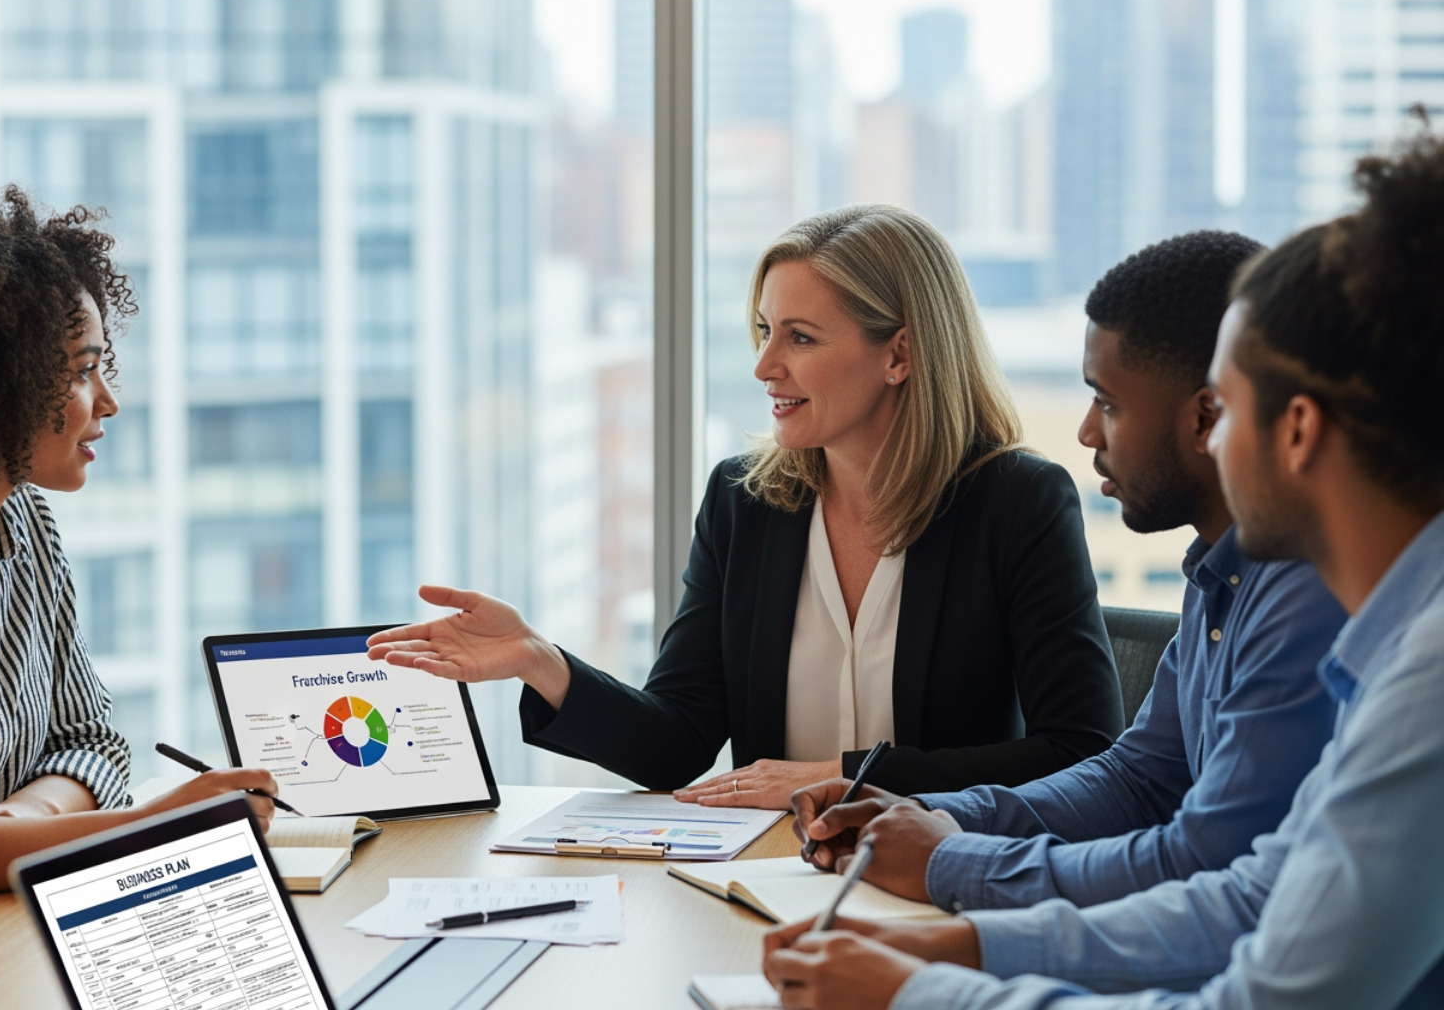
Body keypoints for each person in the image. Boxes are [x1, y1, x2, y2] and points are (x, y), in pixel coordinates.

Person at [763, 125, 1444, 1009]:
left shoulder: (1416, 676)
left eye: (1228, 408)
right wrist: (963, 937)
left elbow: (1254, 983)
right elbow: (1236, 886)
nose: (1087, 432)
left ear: (1299, 430)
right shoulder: (1272, 593)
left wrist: (923, 985)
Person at [369, 204, 1123, 809]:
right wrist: (543, 662)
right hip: (764, 878)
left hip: (944, 884)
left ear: (899, 354)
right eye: (765, 331)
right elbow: (679, 741)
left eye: (799, 337)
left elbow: (1081, 751)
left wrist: (840, 776)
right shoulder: (745, 501)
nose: (765, 366)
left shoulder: (1018, 502)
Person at [790, 231, 1347, 911]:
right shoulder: (1221, 576)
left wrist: (951, 867)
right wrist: (942, 817)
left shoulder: (1305, 597)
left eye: (1107, 402)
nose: (1086, 431)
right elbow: (1139, 778)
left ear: (1206, 417)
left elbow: (1205, 861)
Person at [0, 187, 279, 900]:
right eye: (82, 370)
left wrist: (27, 817)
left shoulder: (30, 525)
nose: (107, 400)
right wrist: (150, 827)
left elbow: (95, 742)